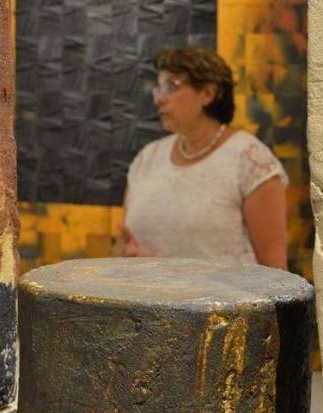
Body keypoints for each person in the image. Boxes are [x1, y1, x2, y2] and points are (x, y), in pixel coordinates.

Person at [118, 47, 289, 269]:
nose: (159, 99)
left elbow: (275, 273)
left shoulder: (251, 161)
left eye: (171, 86)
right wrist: (126, 255)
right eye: (158, 88)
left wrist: (169, 274)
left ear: (207, 93)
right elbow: (122, 246)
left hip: (224, 293)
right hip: (143, 292)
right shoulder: (147, 158)